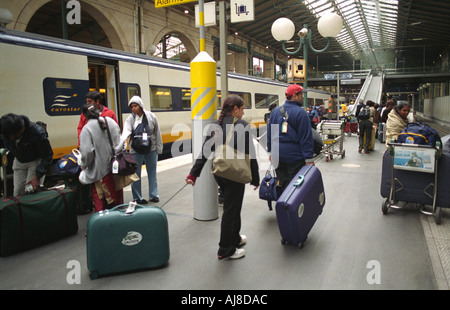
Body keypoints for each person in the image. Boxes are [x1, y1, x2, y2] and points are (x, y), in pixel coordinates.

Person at [185, 94, 260, 260]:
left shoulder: (215, 125)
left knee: (232, 208)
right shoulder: (242, 125)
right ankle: (226, 249)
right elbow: (251, 155)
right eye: (242, 109)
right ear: (235, 109)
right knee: (231, 211)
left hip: (220, 172)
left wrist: (193, 174)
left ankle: (235, 238)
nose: (243, 113)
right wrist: (255, 178)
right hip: (235, 173)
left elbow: (205, 151)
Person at [267, 84, 314, 194]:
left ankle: (282, 206)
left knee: (282, 183)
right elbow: (306, 138)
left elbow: (270, 133)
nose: (303, 97)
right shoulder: (301, 113)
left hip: (277, 156)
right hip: (295, 158)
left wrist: (270, 152)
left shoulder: (275, 112)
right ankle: (290, 208)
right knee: (295, 186)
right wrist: (309, 159)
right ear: (294, 96)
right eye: (301, 94)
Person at [116, 96, 162, 204]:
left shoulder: (151, 116)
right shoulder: (130, 119)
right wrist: (120, 145)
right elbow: (126, 133)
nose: (134, 109)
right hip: (136, 150)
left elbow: (157, 132)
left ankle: (154, 195)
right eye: (132, 107)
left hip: (151, 148)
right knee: (135, 174)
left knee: (152, 172)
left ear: (141, 105)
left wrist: (159, 148)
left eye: (136, 106)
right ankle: (137, 197)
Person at [78, 104, 123, 212]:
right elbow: (120, 142)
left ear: (84, 116)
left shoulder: (86, 129)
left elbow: (87, 152)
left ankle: (103, 226)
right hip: (116, 168)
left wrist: (83, 165)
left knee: (101, 202)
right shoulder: (110, 122)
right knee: (117, 200)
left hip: (100, 174)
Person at [0, 113, 53, 196]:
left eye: (15, 135)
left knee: (31, 192)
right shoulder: (6, 132)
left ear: (22, 128)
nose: (12, 138)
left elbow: (47, 155)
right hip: (19, 160)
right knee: (18, 193)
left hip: (35, 161)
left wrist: (38, 176)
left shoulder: (37, 133)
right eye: (10, 136)